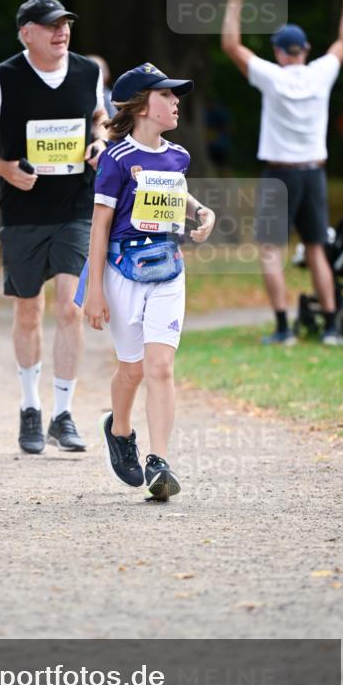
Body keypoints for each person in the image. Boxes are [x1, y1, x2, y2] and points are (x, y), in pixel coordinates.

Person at [0, 0, 108, 454]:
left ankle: (63, 414)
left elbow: (100, 119)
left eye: (65, 23)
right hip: (23, 212)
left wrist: (99, 142)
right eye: (50, 25)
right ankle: (30, 407)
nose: (61, 31)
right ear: (26, 33)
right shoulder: (0, 78)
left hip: (75, 207)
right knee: (29, 311)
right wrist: (3, 168)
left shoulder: (88, 72)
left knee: (70, 308)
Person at [84, 63, 215, 499]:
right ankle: (120, 430)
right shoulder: (116, 158)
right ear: (142, 105)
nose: (176, 102)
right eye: (167, 95)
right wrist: (95, 290)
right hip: (123, 270)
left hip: (168, 268)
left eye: (176, 95)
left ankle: (159, 462)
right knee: (133, 369)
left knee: (160, 366)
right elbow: (100, 225)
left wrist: (200, 210)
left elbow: (172, 189)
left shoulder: (178, 156)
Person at [221, 0, 343, 346]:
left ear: (279, 52)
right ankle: (331, 327)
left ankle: (284, 328)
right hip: (314, 172)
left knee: (270, 250)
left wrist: (235, 0)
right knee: (316, 248)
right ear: (306, 49)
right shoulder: (321, 74)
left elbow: (231, 46)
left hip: (279, 173)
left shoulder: (272, 77)